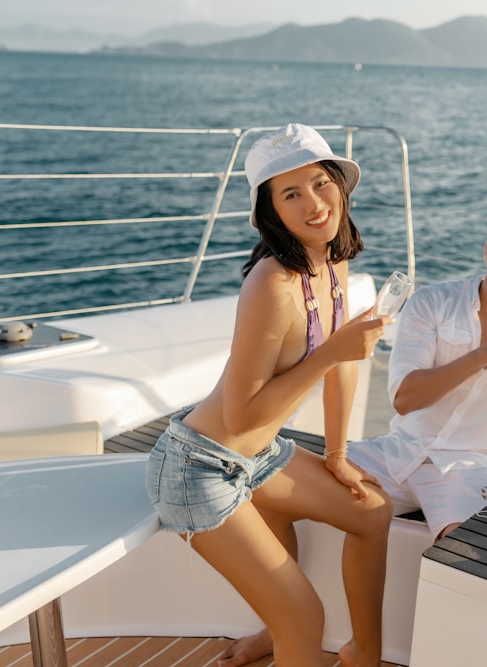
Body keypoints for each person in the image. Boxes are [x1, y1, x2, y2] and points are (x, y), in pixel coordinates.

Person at [218, 187, 487, 665]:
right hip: (395, 452)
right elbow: (405, 399)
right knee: (261, 486)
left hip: (467, 470)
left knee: (468, 563)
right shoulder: (432, 303)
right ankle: (277, 626)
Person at [145, 123, 392, 667]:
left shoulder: (333, 262)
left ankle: (364, 656)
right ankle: (281, 633)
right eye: (291, 193)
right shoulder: (270, 284)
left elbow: (342, 366)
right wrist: (332, 352)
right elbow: (242, 413)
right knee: (305, 620)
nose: (314, 203)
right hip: (198, 468)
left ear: (341, 188)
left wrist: (338, 455)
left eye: (321, 183)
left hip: (255, 456)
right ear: (271, 211)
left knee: (374, 512)